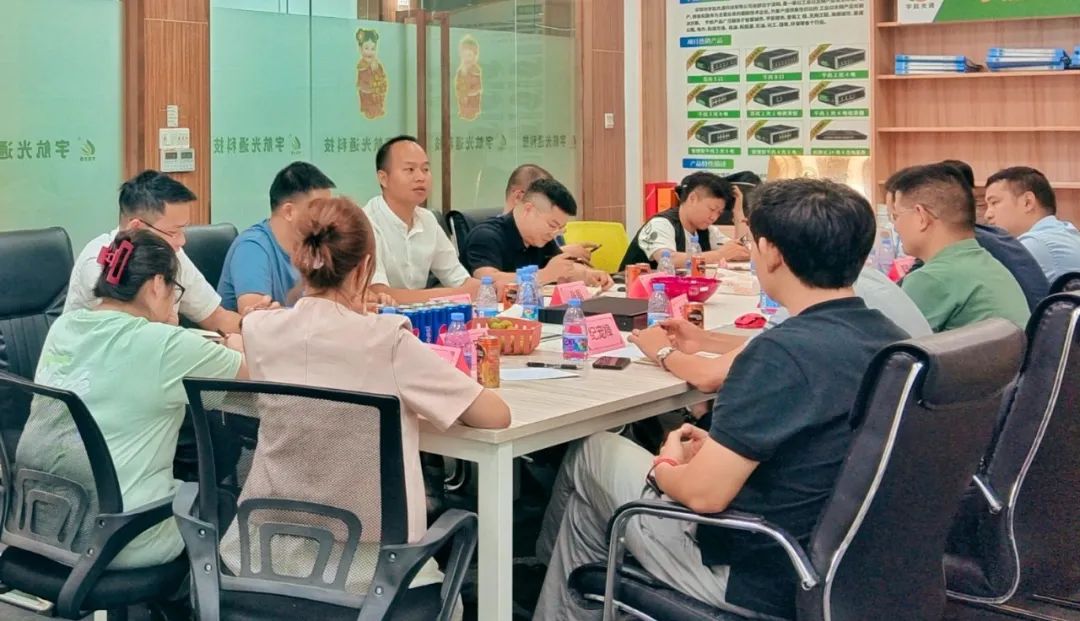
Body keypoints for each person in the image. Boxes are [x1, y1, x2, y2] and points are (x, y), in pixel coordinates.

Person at [532, 178, 909, 620]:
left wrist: (666, 463)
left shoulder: (781, 353)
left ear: (771, 252)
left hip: (754, 571)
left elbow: (703, 495)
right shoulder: (892, 340)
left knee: (594, 453)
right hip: (856, 569)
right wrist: (716, 449)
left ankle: (552, 590)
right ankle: (570, 591)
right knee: (594, 502)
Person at [226, 196, 509, 598]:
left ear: (300, 261)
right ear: (364, 269)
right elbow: (494, 415)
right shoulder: (386, 340)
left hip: (263, 557)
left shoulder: (260, 330)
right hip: (372, 572)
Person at [19, 229, 246, 570]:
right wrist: (236, 344)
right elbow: (251, 375)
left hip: (39, 527)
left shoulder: (63, 328)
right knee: (223, 499)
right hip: (123, 541)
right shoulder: (164, 344)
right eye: (175, 290)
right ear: (156, 285)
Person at [66, 170, 250, 333]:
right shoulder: (101, 264)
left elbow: (215, 317)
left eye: (183, 230)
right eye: (173, 232)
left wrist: (258, 326)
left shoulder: (171, 255)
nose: (182, 241)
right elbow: (127, 338)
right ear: (136, 228)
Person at [889, 163, 1029, 332]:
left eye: (896, 216)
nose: (895, 227)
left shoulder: (931, 278)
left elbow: (889, 345)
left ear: (921, 216)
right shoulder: (989, 265)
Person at [364, 136, 482, 304]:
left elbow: (460, 279)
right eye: (410, 170)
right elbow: (378, 293)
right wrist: (455, 294)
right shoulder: (366, 223)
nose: (421, 177)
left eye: (425, 169)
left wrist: (480, 288)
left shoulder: (428, 220)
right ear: (383, 178)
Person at [217, 161, 336, 314]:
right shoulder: (252, 248)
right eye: (319, 209)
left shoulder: (317, 244)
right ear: (289, 212)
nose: (326, 217)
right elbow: (255, 318)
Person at [464, 178, 614, 288]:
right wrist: (544, 275)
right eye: (552, 225)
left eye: (560, 228)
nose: (554, 233)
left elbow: (562, 268)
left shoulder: (541, 239)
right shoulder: (486, 236)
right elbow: (487, 281)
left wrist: (589, 275)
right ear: (529, 209)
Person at [620, 172, 750, 271]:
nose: (714, 217)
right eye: (712, 209)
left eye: (719, 213)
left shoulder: (707, 230)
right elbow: (668, 259)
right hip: (630, 291)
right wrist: (719, 254)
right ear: (692, 198)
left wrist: (738, 212)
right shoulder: (661, 224)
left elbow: (743, 250)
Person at [984, 166, 1080, 284]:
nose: (987, 215)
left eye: (994, 203)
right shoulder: (1066, 232)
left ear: (1027, 202)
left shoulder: (1035, 244)